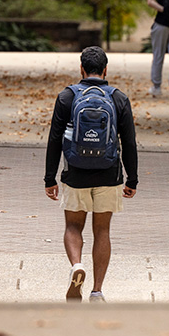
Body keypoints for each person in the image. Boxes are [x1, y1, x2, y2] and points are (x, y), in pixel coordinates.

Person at [44, 45, 138, 302]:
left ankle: (76, 266)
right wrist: (133, 179)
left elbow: (54, 139)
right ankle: (97, 290)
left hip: (75, 172)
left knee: (73, 225)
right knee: (102, 230)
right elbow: (129, 142)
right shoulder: (119, 98)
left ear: (81, 69)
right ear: (105, 70)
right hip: (109, 173)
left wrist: (49, 178)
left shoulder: (67, 97)